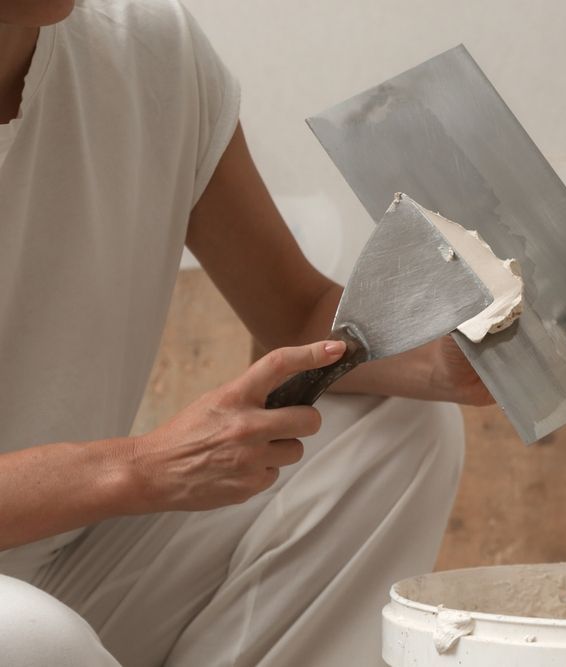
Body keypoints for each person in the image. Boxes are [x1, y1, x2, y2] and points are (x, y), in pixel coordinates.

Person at [0, 0, 491, 664]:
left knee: (396, 426)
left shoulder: (149, 52)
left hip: (61, 556)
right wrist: (137, 467)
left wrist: (436, 358)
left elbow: (293, 309)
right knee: (34, 641)